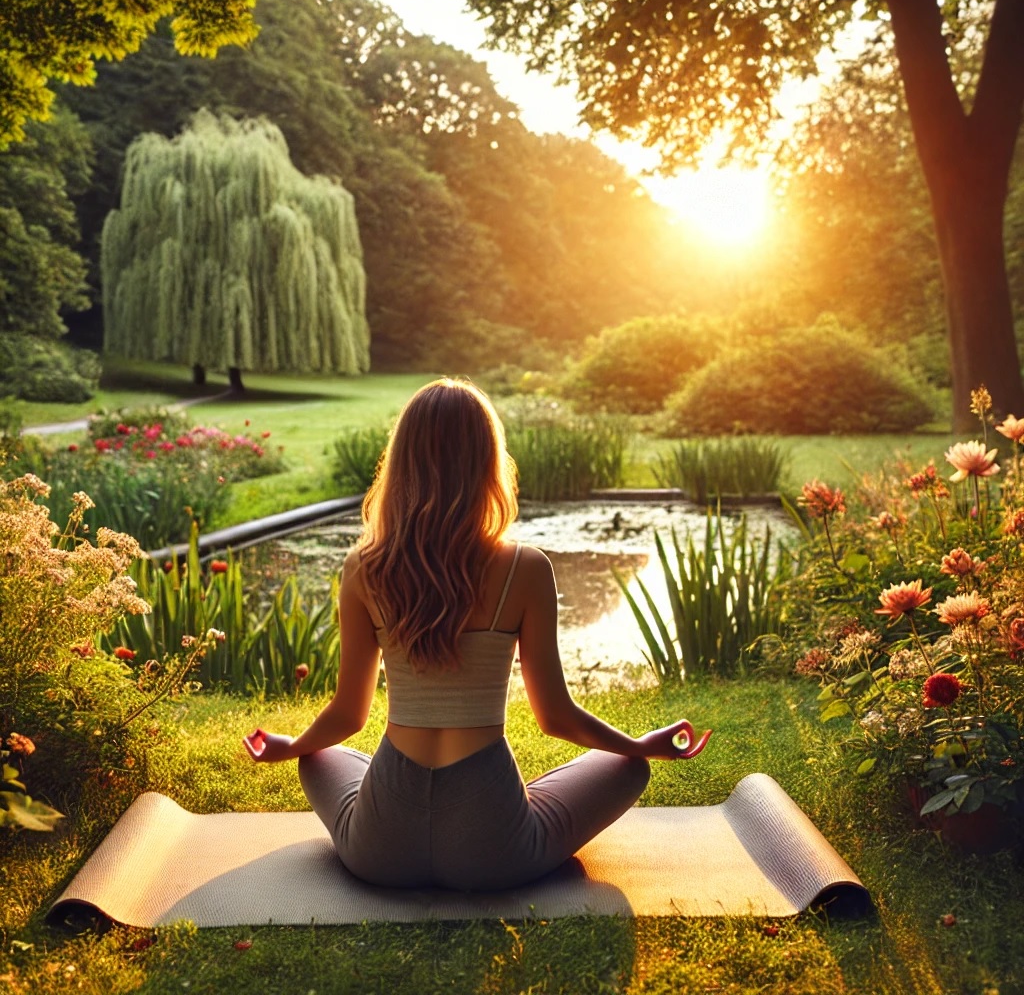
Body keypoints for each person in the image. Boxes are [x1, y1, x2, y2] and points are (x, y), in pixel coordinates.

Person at [244, 378, 710, 891]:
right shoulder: (525, 569)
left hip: (379, 849)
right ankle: (524, 807)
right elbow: (555, 717)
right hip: (494, 851)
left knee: (319, 754)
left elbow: (347, 716)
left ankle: (363, 792)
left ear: (401, 463)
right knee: (628, 769)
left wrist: (294, 747)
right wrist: (638, 746)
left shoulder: (363, 568)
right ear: (488, 462)